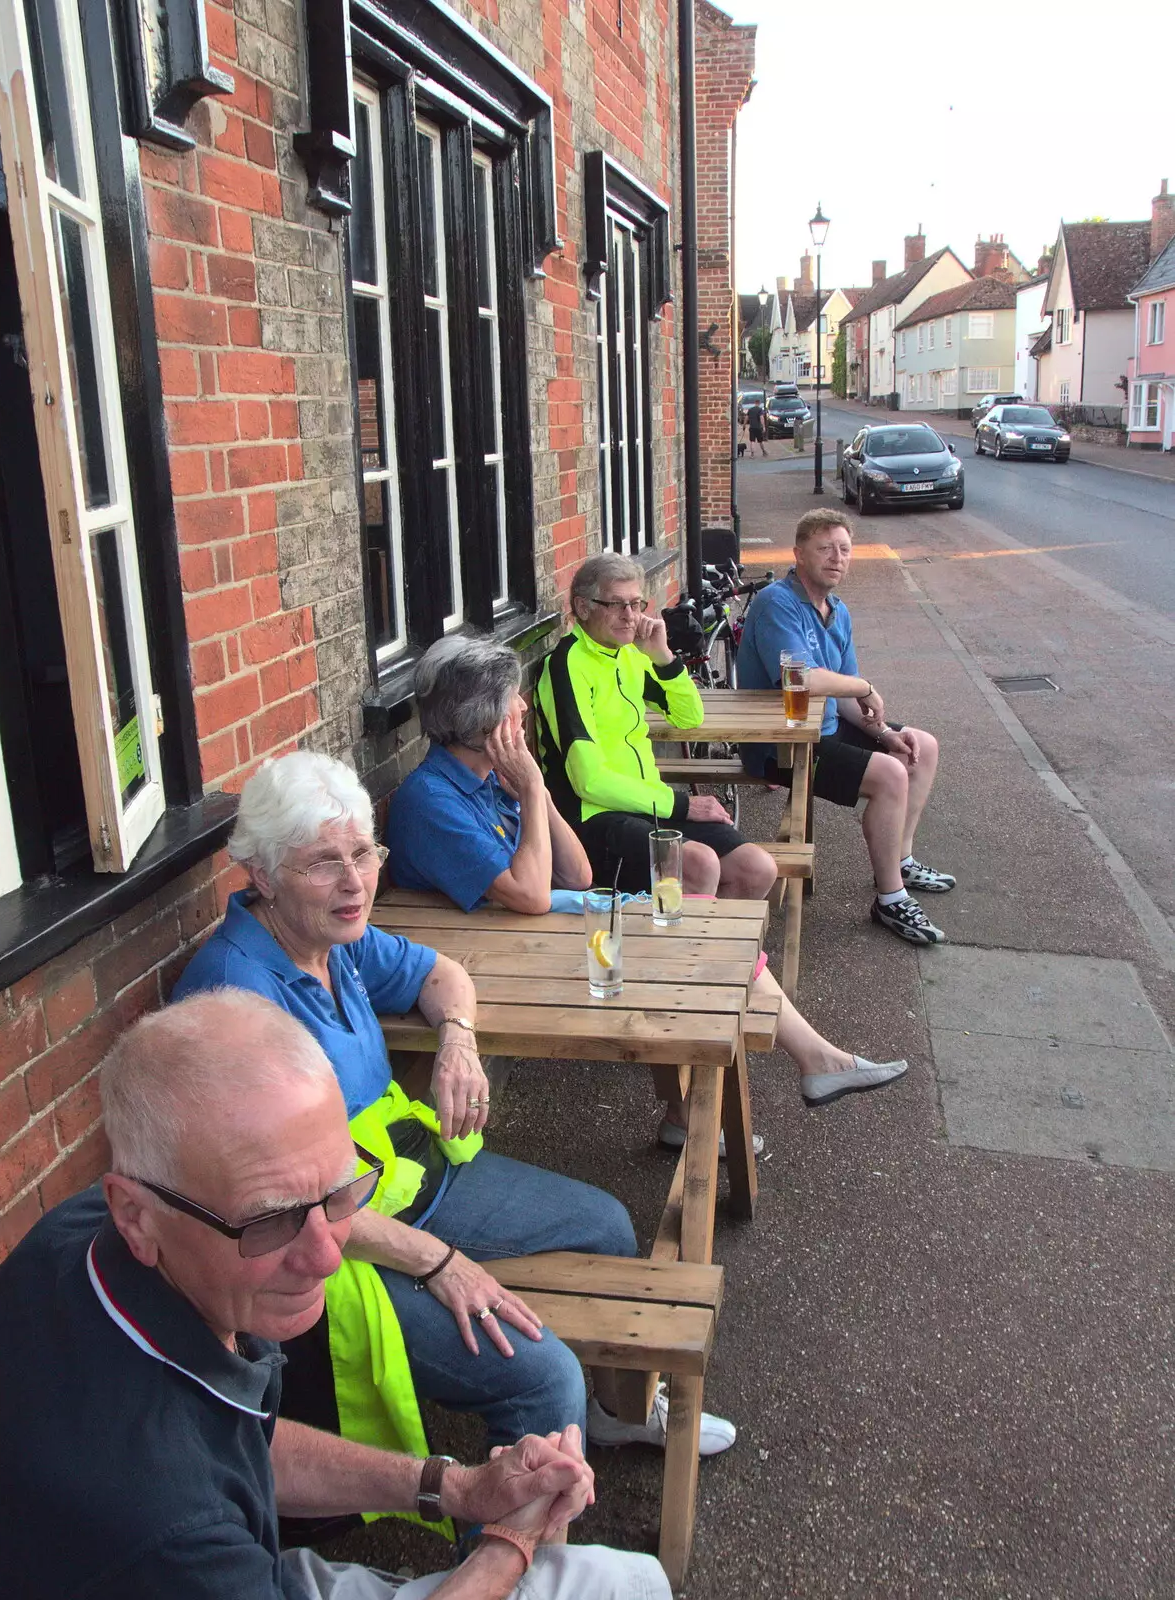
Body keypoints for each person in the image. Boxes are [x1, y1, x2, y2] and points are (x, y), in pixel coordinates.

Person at [0, 991, 671, 1599]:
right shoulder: (161, 1524)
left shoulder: (91, 1234)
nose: (324, 1254)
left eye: (339, 1193)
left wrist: (457, 1487)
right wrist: (505, 1548)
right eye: (270, 1219)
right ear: (136, 1214)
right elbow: (189, 1482)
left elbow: (232, 1441)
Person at [174, 751, 734, 1463]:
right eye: (322, 863)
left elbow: (442, 973)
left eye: (363, 852)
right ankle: (512, 1562)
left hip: (412, 1176)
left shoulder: (328, 936)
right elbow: (276, 1214)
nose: (354, 883)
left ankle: (617, 1412)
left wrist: (458, 1044)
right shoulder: (234, 999)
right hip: (330, 1253)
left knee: (606, 1224)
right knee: (541, 1379)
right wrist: (439, 1263)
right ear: (261, 873)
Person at [536, 553, 908, 1121]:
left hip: (647, 805)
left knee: (756, 868)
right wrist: (680, 801)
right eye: (620, 605)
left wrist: (661, 658)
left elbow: (686, 717)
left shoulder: (631, 657)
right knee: (700, 866)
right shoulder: (566, 666)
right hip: (593, 823)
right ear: (582, 607)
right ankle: (695, 1061)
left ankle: (716, 997)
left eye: (640, 604)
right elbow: (587, 779)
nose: (634, 616)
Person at [736, 507, 954, 946]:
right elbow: (801, 678)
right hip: (780, 745)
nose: (837, 558)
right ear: (798, 553)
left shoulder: (837, 610)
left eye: (845, 549)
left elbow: (843, 697)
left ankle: (902, 858)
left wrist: (884, 734)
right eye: (825, 548)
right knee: (891, 774)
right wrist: (864, 685)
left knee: (919, 746)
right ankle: (890, 898)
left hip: (825, 729)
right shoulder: (777, 603)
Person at [388, 634, 592, 914]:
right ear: (485, 719)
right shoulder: (431, 802)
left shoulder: (492, 779)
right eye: (512, 696)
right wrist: (532, 787)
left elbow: (577, 877)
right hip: (474, 947)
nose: (523, 706)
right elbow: (533, 897)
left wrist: (540, 796)